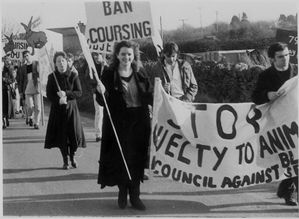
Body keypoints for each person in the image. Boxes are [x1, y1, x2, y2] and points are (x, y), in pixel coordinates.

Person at [95, 40, 153, 210]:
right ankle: (122, 193)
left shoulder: (140, 72)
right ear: (117, 55)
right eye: (122, 54)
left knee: (136, 159)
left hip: (139, 121)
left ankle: (135, 196)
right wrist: (100, 91)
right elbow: (102, 100)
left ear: (134, 55)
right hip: (119, 122)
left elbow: (149, 95)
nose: (126, 57)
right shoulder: (109, 73)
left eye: (129, 54)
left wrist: (161, 95)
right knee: (122, 159)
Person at [252, 42, 298, 206]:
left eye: (287, 55)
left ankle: (289, 192)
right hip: (277, 124)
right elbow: (256, 96)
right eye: (280, 57)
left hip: (296, 121)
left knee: (296, 157)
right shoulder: (266, 75)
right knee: (288, 158)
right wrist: (268, 94)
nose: (285, 59)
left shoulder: (297, 70)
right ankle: (287, 190)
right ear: (272, 59)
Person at [44, 51, 86, 170]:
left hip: (71, 110)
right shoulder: (52, 77)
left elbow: (79, 92)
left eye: (63, 60)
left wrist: (66, 94)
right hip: (58, 111)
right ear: (55, 64)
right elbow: (49, 94)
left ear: (67, 62)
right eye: (58, 61)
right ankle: (65, 160)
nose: (61, 63)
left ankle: (72, 156)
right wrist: (58, 100)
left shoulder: (73, 75)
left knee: (74, 135)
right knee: (62, 136)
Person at [19, 50, 41, 129]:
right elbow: (21, 80)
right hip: (27, 88)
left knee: (38, 107)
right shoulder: (22, 67)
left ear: (30, 55)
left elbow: (41, 72)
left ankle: (37, 123)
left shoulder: (36, 63)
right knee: (30, 106)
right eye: (24, 56)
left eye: (27, 55)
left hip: (36, 87)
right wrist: (20, 91)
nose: (26, 57)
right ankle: (30, 117)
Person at [91, 52, 107, 142]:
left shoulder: (107, 65)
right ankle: (98, 134)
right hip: (97, 93)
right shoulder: (92, 66)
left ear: (102, 54)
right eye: (94, 55)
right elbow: (89, 78)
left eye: (98, 54)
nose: (96, 57)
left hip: (107, 93)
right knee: (99, 112)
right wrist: (96, 84)